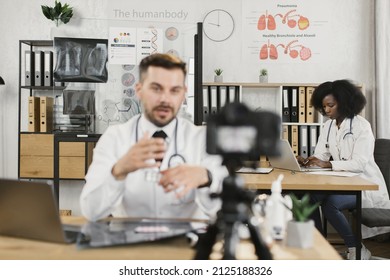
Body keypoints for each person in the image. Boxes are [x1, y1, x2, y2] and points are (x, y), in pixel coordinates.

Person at [80, 53, 227, 222]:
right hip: (130, 243)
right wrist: (118, 171)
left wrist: (206, 178)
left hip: (185, 244)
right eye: (156, 89)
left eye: (174, 91)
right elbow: (91, 211)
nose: (165, 99)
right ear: (139, 90)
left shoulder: (202, 139)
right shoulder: (115, 137)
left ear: (184, 93)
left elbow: (220, 212)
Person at [297, 79, 390, 260]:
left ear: (344, 102)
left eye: (330, 105)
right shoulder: (328, 126)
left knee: (331, 204)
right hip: (340, 181)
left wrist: (329, 164)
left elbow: (359, 164)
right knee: (308, 199)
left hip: (364, 184)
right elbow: (321, 155)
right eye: (323, 106)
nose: (326, 110)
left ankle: (357, 248)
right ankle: (319, 245)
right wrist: (308, 161)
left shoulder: (362, 126)